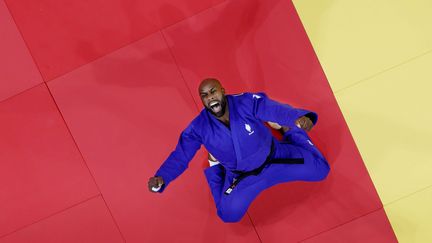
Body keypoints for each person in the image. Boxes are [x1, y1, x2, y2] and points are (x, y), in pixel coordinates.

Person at [148, 78, 330, 223]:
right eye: (204, 95)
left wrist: (299, 118)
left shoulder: (245, 102)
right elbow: (181, 155)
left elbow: (272, 108)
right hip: (241, 177)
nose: (210, 97)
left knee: (321, 169)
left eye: (213, 91)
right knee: (228, 215)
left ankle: (289, 132)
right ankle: (214, 167)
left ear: (223, 91)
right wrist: (162, 177)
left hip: (275, 157)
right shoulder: (198, 127)